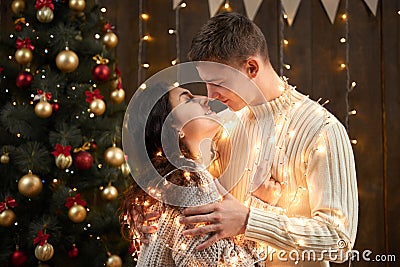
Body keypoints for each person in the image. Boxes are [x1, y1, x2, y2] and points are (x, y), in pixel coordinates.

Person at [139, 12, 358, 266]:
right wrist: (150, 214)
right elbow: (189, 190)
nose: (210, 95)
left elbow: (339, 241)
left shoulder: (322, 130)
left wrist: (248, 221)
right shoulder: (224, 128)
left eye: (218, 82)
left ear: (251, 68)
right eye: (206, 83)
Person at [120, 83, 282, 266]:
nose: (205, 98)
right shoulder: (188, 183)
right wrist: (261, 207)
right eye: (187, 99)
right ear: (172, 125)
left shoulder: (172, 181)